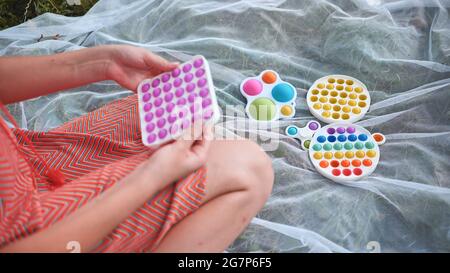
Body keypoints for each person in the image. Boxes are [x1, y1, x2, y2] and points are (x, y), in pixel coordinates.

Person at [0, 45, 274, 252]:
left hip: (21, 170)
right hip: (35, 235)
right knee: (248, 167)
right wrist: (150, 177)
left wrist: (103, 62)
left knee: (157, 114)